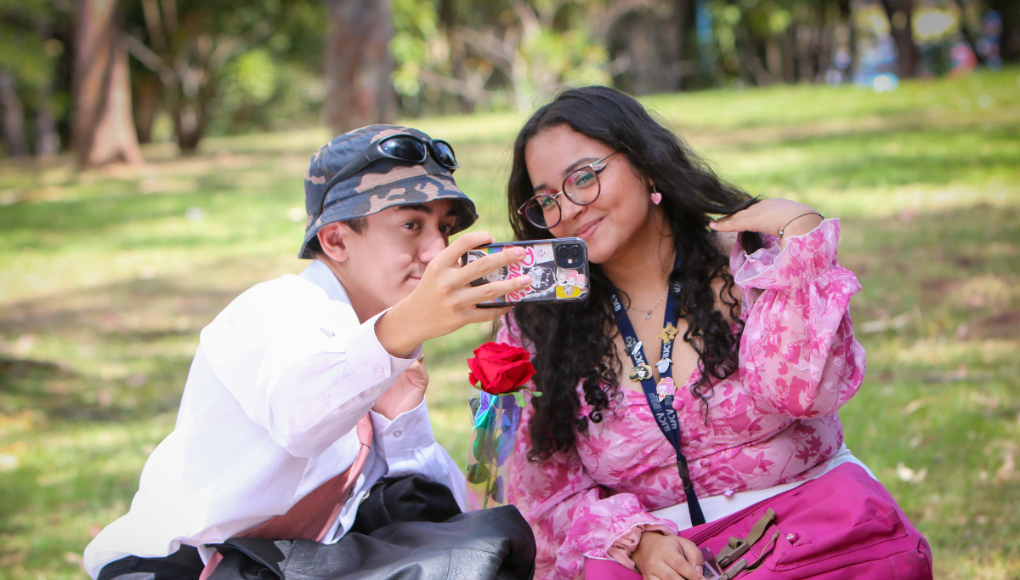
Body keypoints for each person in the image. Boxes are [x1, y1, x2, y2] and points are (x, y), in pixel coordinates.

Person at [496, 87, 932, 580]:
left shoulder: (751, 264)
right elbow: (547, 499)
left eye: (583, 177)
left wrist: (803, 249)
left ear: (645, 164)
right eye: (546, 199)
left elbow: (801, 394)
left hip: (811, 537)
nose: (569, 209)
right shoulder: (541, 325)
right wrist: (637, 539)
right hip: (659, 565)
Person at [84, 125, 536, 580]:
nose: (438, 251)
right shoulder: (277, 308)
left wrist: (401, 421)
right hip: (177, 567)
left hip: (283, 563)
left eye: (445, 229)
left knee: (487, 546)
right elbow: (299, 420)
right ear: (335, 240)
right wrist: (399, 332)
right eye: (411, 225)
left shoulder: (381, 346)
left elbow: (434, 508)